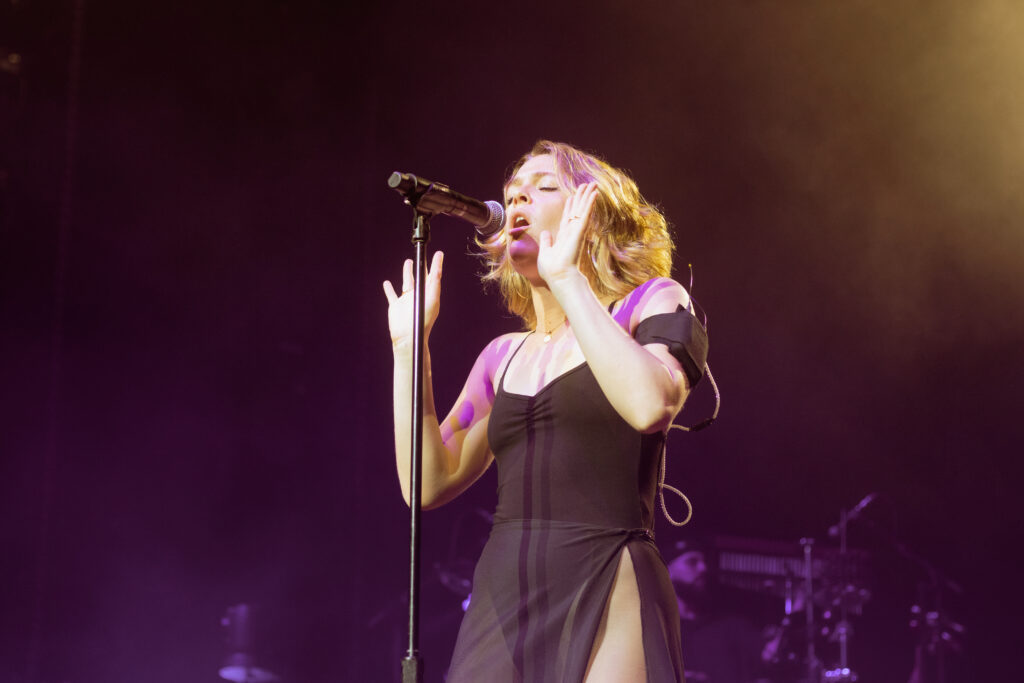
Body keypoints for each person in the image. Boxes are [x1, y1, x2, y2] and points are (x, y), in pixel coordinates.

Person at [383, 140, 709, 682]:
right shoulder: (502, 357)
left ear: (593, 215)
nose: (517, 200)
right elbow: (426, 484)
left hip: (609, 576)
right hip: (505, 592)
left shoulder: (652, 302)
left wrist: (568, 278)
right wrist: (408, 352)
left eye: (544, 187)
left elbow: (651, 404)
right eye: (512, 192)